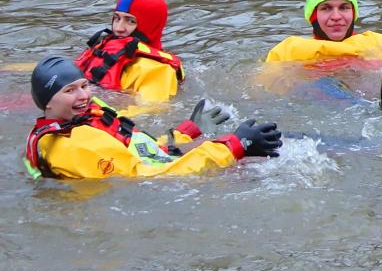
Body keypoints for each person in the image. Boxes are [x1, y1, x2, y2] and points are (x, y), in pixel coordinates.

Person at [24, 56, 282, 179]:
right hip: (155, 188)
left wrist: (186, 133)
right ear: (48, 102)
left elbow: (140, 151)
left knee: (273, 152)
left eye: (83, 86)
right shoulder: (77, 146)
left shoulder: (85, 119)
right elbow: (152, 178)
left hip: (157, 174)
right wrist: (232, 147)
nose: (83, 95)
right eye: (69, 91)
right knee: (269, 168)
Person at [74, 0, 183, 103]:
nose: (118, 28)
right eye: (117, 18)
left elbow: (153, 109)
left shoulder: (160, 71)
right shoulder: (100, 50)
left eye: (130, 21)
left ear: (150, 24)